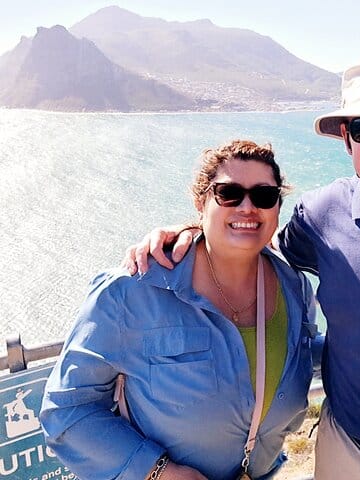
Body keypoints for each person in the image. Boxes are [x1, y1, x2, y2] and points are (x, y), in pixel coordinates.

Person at [122, 53, 360, 479]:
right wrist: (196, 230)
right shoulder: (321, 213)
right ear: (347, 139)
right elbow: (254, 245)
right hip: (349, 449)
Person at [40, 140, 318, 480]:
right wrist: (158, 471)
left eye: (264, 195)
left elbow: (307, 354)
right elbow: (67, 411)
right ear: (201, 203)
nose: (247, 207)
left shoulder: (294, 288)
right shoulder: (132, 289)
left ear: (276, 207)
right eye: (229, 193)